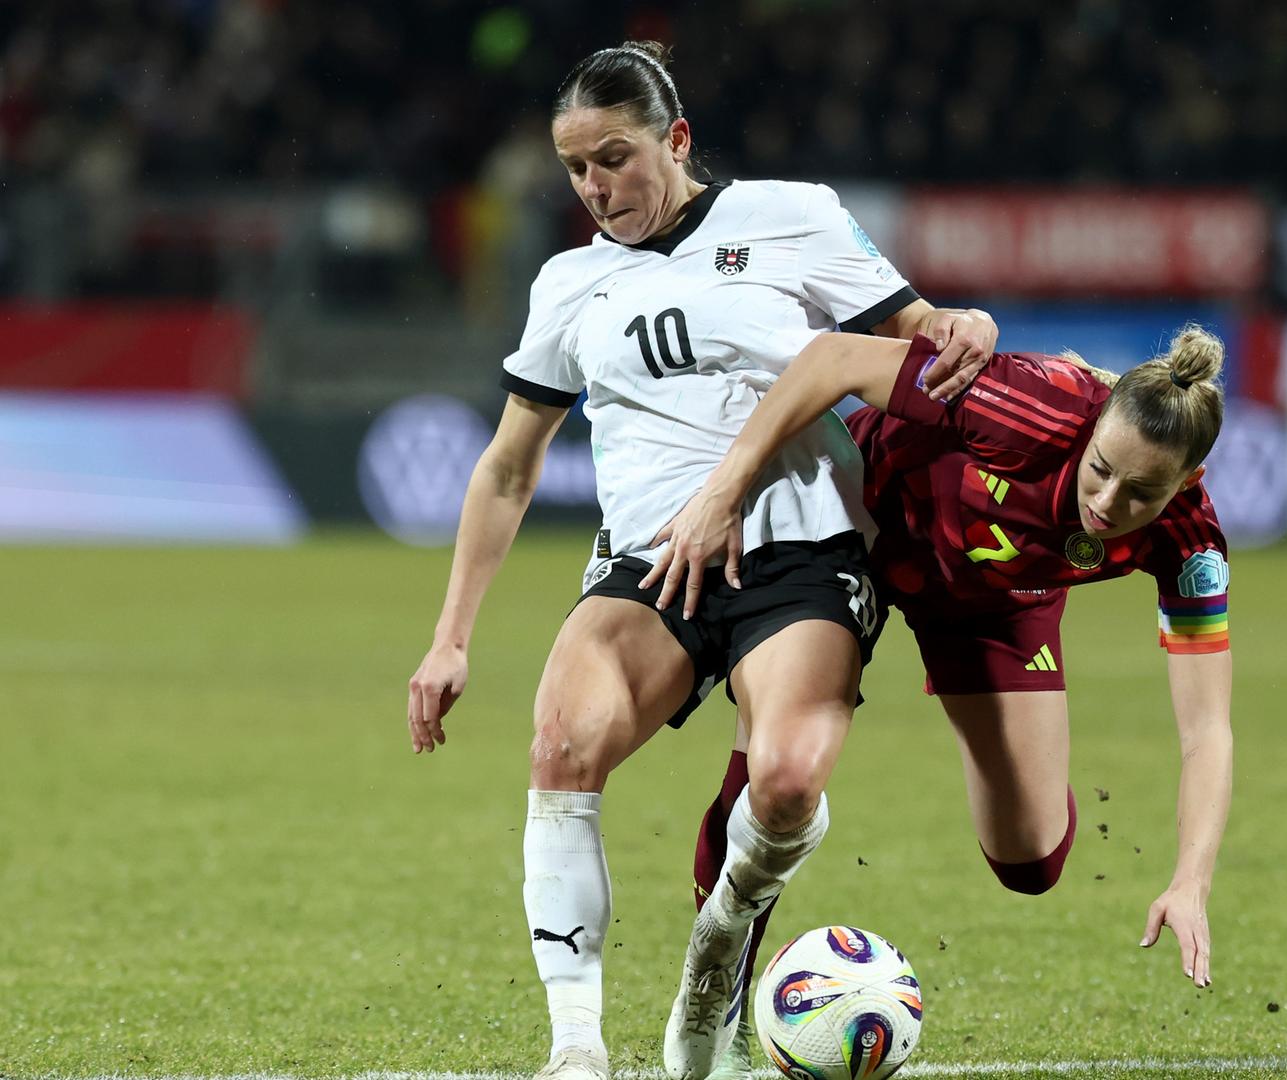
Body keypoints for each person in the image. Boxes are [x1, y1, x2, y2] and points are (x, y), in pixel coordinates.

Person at [400, 41, 998, 1080]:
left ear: (676, 140)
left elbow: (914, 335)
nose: (595, 188)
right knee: (560, 747)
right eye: (576, 169)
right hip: (649, 566)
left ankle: (719, 950)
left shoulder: (794, 216)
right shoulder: (568, 284)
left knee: (785, 783)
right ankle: (576, 1049)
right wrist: (450, 638)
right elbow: (506, 470)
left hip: (801, 553)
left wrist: (963, 322)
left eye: (615, 159)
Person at [644, 326, 1234, 1029]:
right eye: (1100, 467)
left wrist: (1191, 880)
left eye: (1141, 491)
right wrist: (728, 486)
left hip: (992, 600)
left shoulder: (1190, 541)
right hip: (858, 532)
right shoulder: (1025, 405)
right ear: (1097, 422)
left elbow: (1207, 729)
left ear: (1187, 482)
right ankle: (717, 1009)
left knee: (1032, 860)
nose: (1106, 502)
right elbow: (835, 358)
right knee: (781, 773)